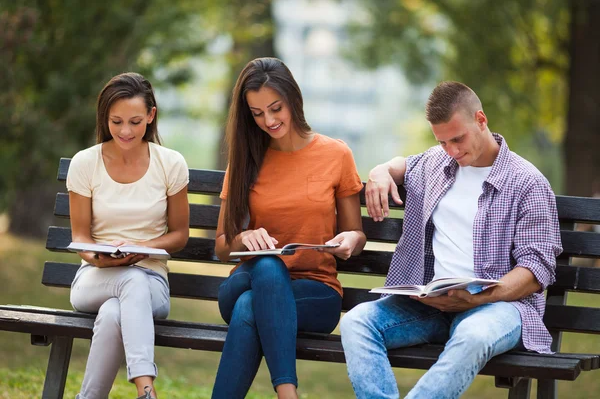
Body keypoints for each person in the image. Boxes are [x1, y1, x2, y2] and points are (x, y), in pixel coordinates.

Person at [340, 81, 563, 399]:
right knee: (357, 322)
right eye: (442, 142)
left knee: (472, 335)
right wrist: (379, 171)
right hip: (431, 306)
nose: (452, 151)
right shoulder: (436, 163)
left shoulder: (527, 183)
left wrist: (477, 299)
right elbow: (404, 165)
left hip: (497, 308)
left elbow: (535, 270)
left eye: (458, 139)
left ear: (481, 120)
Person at [211, 57, 366, 399]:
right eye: (256, 113)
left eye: (275, 108)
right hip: (245, 280)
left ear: (293, 99)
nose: (268, 120)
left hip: (315, 291)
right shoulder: (246, 158)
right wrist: (243, 237)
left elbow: (356, 232)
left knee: (251, 307)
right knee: (267, 266)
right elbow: (222, 246)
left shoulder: (336, 155)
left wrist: (350, 240)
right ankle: (288, 395)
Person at [67, 72, 190, 399]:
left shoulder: (171, 164)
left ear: (150, 116)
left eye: (135, 121)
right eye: (116, 121)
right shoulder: (84, 163)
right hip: (94, 278)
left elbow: (179, 235)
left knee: (115, 311)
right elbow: (80, 236)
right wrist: (99, 258)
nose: (125, 131)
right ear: (104, 118)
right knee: (126, 283)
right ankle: (146, 389)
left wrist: (143, 247)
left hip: (151, 281)